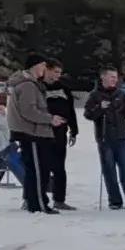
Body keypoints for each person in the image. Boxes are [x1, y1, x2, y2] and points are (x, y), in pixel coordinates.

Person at [6, 53, 62, 214]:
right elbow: (29, 111)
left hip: (33, 133)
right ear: (36, 66)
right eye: (43, 65)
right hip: (32, 134)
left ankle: (33, 202)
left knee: (35, 170)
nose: (45, 69)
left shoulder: (30, 84)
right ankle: (39, 204)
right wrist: (50, 119)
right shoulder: (28, 86)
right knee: (39, 171)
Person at [84, 66, 125, 209]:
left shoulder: (121, 94)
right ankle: (115, 201)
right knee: (109, 171)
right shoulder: (94, 95)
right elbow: (88, 114)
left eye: (115, 77)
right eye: (111, 77)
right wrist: (100, 107)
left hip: (121, 138)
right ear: (103, 77)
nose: (114, 80)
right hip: (105, 139)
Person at [43, 59, 78, 210]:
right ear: (47, 70)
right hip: (43, 131)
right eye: (55, 72)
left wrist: (74, 129)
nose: (58, 75)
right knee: (42, 167)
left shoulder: (65, 89)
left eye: (59, 73)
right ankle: (34, 197)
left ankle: (59, 199)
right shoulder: (39, 87)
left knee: (59, 167)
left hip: (60, 132)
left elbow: (71, 110)